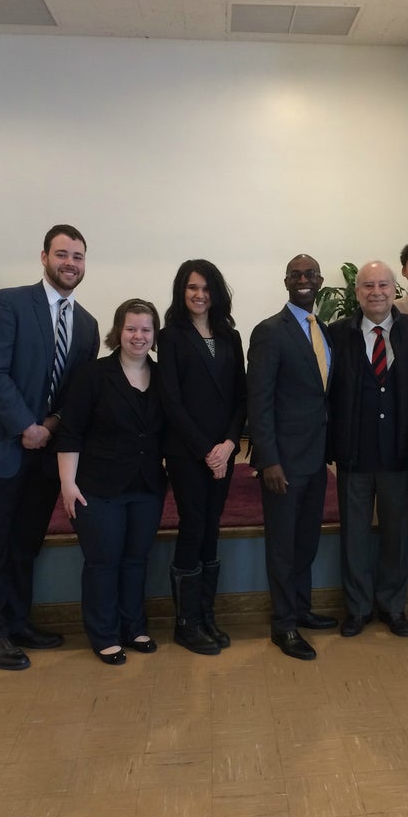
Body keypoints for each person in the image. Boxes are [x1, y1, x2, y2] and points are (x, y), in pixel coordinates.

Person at [0, 224, 99, 670]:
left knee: (24, 545)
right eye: (62, 254)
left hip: (43, 455)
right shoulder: (9, 303)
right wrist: (25, 425)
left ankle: (18, 622)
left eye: (77, 256)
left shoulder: (89, 325)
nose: (70, 263)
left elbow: (76, 393)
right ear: (43, 257)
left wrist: (50, 425)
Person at [57, 299, 166, 665]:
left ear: (154, 335)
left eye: (146, 329)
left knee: (137, 560)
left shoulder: (163, 375)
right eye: (131, 328)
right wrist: (67, 484)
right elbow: (70, 432)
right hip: (98, 486)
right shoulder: (94, 374)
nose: (138, 335)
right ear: (118, 331)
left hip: (147, 485)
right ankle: (104, 634)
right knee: (103, 562)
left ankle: (134, 627)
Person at [328, 260, 408, 638]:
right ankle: (356, 609)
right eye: (368, 286)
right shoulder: (338, 333)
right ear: (357, 293)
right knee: (353, 535)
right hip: (354, 453)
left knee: (395, 535)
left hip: (399, 454)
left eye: (383, 285)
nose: (376, 292)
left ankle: (392, 606)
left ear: (395, 290)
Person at [247, 254, 337, 661]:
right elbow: (259, 401)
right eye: (296, 274)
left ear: (319, 281)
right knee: (283, 546)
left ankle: (301, 608)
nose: (303, 280)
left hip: (317, 460)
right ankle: (283, 624)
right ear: (286, 281)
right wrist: (268, 460)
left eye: (310, 274)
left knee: (306, 542)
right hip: (283, 462)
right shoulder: (269, 332)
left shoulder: (326, 332)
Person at [157, 260, 247, 655]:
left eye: (207, 288)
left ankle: (206, 615)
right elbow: (171, 400)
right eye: (192, 287)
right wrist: (205, 449)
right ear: (181, 291)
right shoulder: (170, 336)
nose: (199, 295)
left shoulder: (231, 335)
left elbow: (241, 396)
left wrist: (228, 445)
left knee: (212, 526)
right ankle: (186, 623)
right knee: (193, 525)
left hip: (224, 453)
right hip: (187, 451)